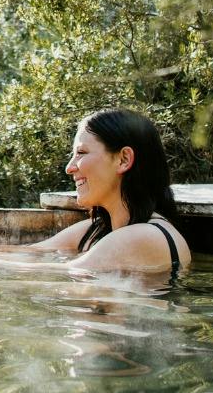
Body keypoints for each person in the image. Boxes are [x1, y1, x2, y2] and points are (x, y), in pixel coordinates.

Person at [20, 107, 191, 276]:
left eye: (81, 153)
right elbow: (27, 253)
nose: (69, 168)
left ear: (124, 160)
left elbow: (50, 273)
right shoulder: (97, 231)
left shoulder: (146, 236)